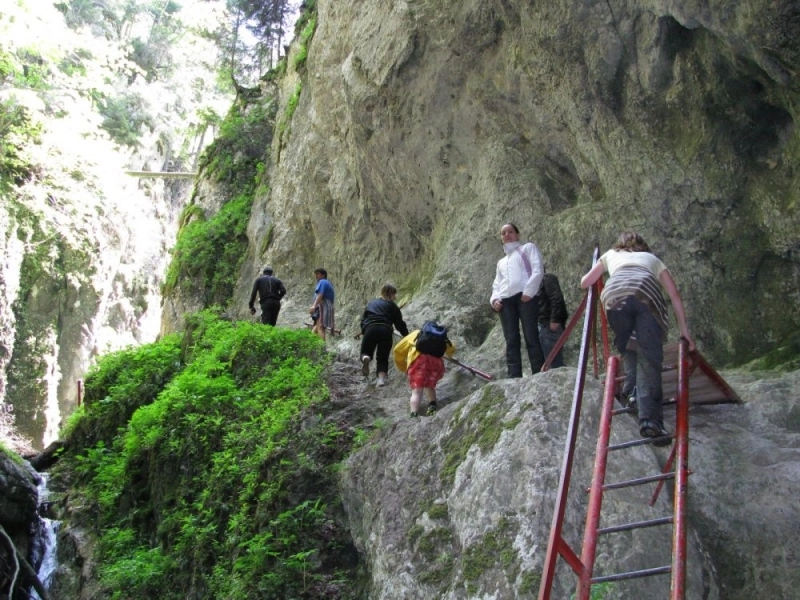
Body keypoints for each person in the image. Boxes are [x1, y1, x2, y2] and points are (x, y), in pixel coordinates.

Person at [580, 231, 695, 446]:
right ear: (643, 246)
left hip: (614, 296)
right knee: (649, 357)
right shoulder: (652, 259)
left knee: (628, 346)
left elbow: (585, 282)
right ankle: (651, 421)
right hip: (645, 292)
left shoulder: (610, 254)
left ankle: (631, 391)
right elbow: (674, 295)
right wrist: (684, 331)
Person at [490, 223, 546, 378]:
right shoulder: (501, 262)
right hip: (506, 301)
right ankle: (514, 376)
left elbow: (537, 269)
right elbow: (497, 284)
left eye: (510, 231)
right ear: (501, 238)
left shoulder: (527, 248)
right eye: (503, 233)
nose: (507, 235)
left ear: (517, 234)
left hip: (524, 297)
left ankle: (538, 372)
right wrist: (494, 300)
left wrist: (529, 291)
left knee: (531, 335)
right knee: (511, 339)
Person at [394, 326, 456, 417]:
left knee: (417, 391)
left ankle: (413, 414)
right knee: (429, 386)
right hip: (435, 363)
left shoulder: (417, 333)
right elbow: (451, 348)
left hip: (418, 361)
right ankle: (432, 406)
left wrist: (403, 366)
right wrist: (450, 355)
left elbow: (397, 350)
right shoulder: (439, 337)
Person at [359, 284, 409, 387]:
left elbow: (363, 320)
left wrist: (365, 330)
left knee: (365, 351)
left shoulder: (371, 304)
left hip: (370, 328)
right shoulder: (393, 306)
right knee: (382, 357)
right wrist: (407, 335)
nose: (395, 297)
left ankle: (366, 358)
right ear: (390, 294)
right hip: (385, 329)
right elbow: (399, 324)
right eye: (394, 295)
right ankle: (380, 380)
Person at [538, 270, 568, 368]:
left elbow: (556, 298)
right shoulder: (533, 284)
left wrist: (555, 320)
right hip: (543, 324)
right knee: (550, 361)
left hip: (549, 324)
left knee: (555, 362)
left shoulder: (547, 279)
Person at [309, 268, 335, 340]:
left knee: (320, 327)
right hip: (326, 306)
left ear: (323, 275)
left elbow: (320, 294)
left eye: (318, 274)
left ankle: (322, 348)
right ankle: (310, 343)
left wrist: (314, 306)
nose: (316, 276)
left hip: (324, 305)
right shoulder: (327, 283)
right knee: (316, 326)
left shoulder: (323, 282)